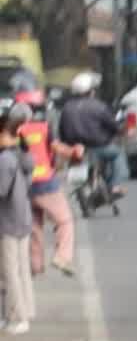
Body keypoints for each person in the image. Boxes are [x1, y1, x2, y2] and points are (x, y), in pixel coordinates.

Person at [22, 106, 78, 278]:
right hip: (46, 182)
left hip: (25, 185)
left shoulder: (16, 129)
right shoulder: (43, 127)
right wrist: (74, 151)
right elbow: (58, 148)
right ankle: (62, 257)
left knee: (35, 226)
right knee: (64, 221)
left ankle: (35, 264)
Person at [56, 70, 129, 196]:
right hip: (98, 147)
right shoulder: (99, 106)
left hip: (74, 149)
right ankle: (115, 186)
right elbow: (113, 125)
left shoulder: (66, 108)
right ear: (91, 91)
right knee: (118, 154)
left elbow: (61, 131)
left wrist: (67, 147)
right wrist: (120, 130)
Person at [1, 105, 37, 334]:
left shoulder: (5, 159)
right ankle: (24, 311)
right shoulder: (23, 154)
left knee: (8, 271)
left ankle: (18, 317)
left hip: (7, 221)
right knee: (21, 269)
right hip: (22, 217)